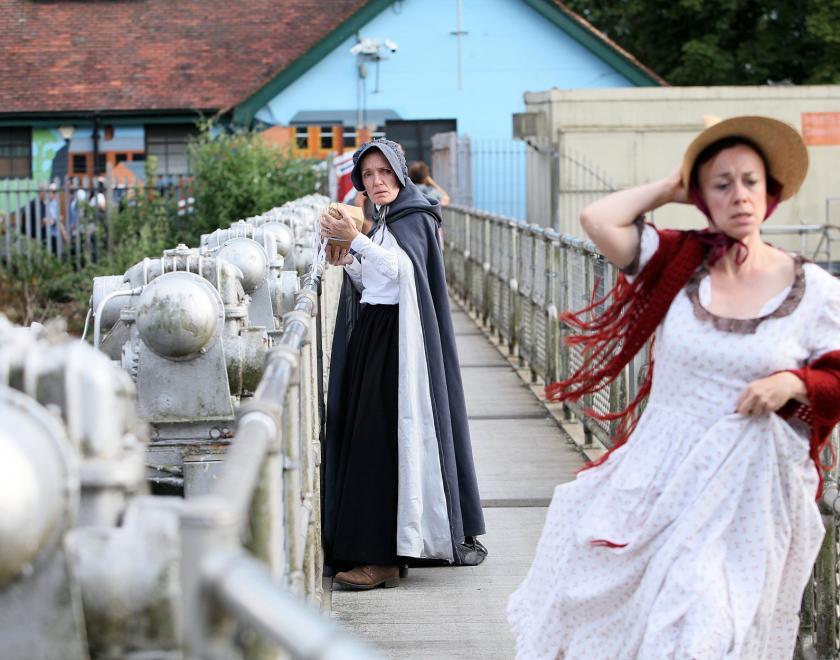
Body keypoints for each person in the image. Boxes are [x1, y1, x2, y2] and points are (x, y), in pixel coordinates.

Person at [507, 116, 840, 659]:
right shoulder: (679, 262)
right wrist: (670, 186)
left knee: (703, 626)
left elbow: (838, 377)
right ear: (700, 197)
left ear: (771, 193)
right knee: (617, 616)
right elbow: (598, 219)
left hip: (748, 489)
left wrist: (793, 382)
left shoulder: (816, 291)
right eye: (721, 183)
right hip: (659, 474)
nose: (739, 195)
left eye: (751, 181)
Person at [321, 137, 487, 590]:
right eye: (368, 176)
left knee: (382, 443)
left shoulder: (415, 216)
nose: (376, 182)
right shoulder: (386, 221)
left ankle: (382, 558)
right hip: (377, 333)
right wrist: (348, 257)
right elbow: (376, 279)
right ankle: (382, 554)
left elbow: (403, 273)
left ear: (399, 173)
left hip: (400, 340)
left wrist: (355, 239)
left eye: (384, 173)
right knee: (370, 440)